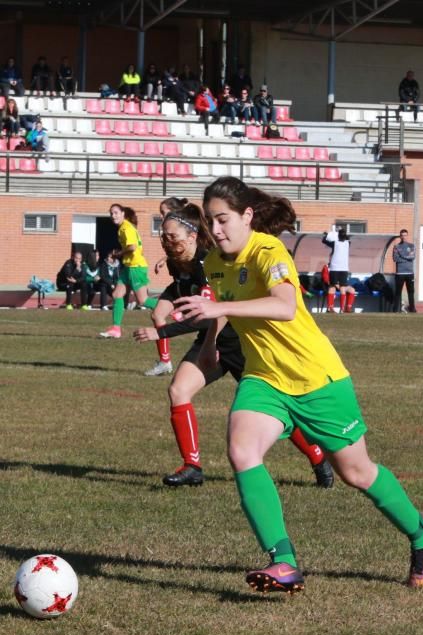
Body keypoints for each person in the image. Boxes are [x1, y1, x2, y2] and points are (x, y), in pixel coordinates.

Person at [173, 176, 423, 594]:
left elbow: (284, 305)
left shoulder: (268, 250)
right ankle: (284, 562)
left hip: (317, 379)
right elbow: (219, 307)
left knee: (357, 473)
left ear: (247, 216)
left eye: (223, 219)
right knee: (242, 449)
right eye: (210, 222)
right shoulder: (214, 263)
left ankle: (422, 534)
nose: (216, 230)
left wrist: (217, 306)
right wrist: (208, 344)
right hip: (265, 378)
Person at [134, 201, 334, 490]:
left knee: (279, 412)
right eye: (163, 235)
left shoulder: (209, 263)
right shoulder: (182, 263)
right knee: (178, 390)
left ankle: (318, 457)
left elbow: (211, 314)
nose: (166, 241)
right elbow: (180, 288)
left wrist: (161, 332)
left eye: (171, 235)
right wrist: (162, 308)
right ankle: (192, 466)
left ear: (192, 236)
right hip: (211, 342)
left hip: (241, 344)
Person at [145, 196, 189, 376]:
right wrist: (164, 259)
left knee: (207, 322)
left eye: (164, 213)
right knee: (157, 315)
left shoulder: (187, 229)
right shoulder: (168, 231)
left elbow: (189, 249)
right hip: (178, 282)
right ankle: (165, 362)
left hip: (192, 282)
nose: (162, 216)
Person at [99, 204, 158, 338]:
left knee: (143, 300)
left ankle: (173, 310)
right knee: (117, 294)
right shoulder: (125, 227)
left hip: (135, 267)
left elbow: (132, 247)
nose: (113, 216)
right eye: (111, 213)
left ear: (123, 213)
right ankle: (116, 329)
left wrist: (119, 253)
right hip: (129, 266)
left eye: (116, 213)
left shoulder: (126, 228)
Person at [322, 227, 355, 313]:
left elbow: (324, 240)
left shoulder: (335, 243)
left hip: (334, 268)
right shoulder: (348, 243)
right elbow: (347, 238)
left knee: (332, 286)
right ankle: (343, 309)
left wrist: (327, 234)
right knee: (343, 288)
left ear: (338, 236)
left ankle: (330, 307)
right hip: (344, 268)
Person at [392, 229, 417, 313]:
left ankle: (412, 309)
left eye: (405, 235)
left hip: (410, 273)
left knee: (411, 292)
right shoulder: (396, 247)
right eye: (402, 235)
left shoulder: (411, 246)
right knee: (398, 292)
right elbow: (395, 258)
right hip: (400, 273)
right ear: (400, 236)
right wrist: (406, 257)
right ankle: (396, 310)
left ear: (407, 236)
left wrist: (402, 255)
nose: (404, 237)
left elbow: (412, 257)